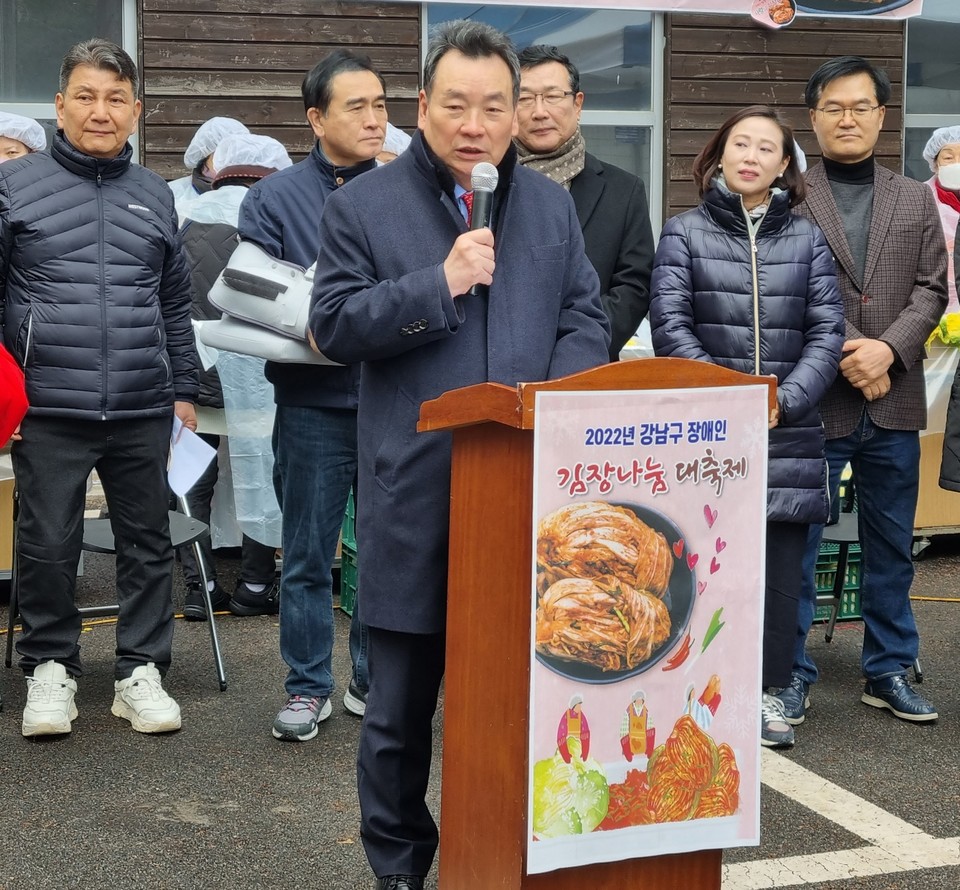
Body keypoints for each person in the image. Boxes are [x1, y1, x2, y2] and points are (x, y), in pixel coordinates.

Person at [309, 20, 610, 889]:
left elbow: (583, 316)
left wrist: (551, 404)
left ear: (519, 113)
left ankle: (505, 854)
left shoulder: (549, 206)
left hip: (527, 493)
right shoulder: (362, 205)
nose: (473, 124)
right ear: (422, 108)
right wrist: (436, 284)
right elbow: (332, 324)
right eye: (455, 106)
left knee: (523, 701)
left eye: (492, 106)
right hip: (418, 496)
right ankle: (399, 868)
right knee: (399, 713)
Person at [0, 38, 199, 737]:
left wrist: (184, 392)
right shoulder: (13, 187)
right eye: (85, 96)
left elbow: (173, 303)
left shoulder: (154, 195)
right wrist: (5, 402)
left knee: (148, 543)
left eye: (116, 98)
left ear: (137, 111)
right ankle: (49, 667)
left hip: (144, 402)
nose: (100, 110)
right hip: (48, 404)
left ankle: (138, 671)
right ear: (60, 105)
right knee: (48, 543)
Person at [650, 104, 844, 748]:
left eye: (767, 147)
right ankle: (692, 691)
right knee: (701, 569)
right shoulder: (683, 233)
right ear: (719, 154)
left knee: (778, 580)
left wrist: (783, 401)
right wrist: (730, 398)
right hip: (707, 437)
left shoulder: (808, 240)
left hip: (786, 433)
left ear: (786, 165)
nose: (752, 156)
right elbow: (671, 327)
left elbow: (826, 334)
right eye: (741, 143)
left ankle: (763, 695)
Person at [775, 57, 948, 727]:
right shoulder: (789, 198)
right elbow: (787, 286)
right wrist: (854, 351)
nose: (848, 118)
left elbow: (933, 288)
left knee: (891, 546)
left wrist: (889, 350)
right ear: (813, 117)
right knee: (799, 547)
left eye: (861, 106)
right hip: (815, 400)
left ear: (882, 115)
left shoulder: (914, 197)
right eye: (834, 107)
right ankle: (789, 674)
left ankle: (889, 669)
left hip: (894, 396)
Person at [238, 49, 384, 739]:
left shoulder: (409, 191)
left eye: (382, 105)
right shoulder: (273, 198)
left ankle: (371, 677)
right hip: (311, 404)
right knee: (306, 552)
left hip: (393, 399)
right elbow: (256, 294)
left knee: (386, 550)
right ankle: (306, 687)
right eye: (356, 106)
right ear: (316, 117)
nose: (374, 119)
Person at [177, 133, 293, 620]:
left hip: (196, 375)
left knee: (193, 481)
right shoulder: (273, 220)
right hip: (257, 381)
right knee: (259, 477)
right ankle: (254, 584)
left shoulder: (183, 223)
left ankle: (198, 585)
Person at [514, 44, 654, 362]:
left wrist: (578, 345)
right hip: (500, 369)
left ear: (577, 104)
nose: (539, 111)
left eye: (553, 96)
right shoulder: (486, 184)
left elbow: (634, 285)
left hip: (589, 365)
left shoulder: (624, 190)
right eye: (525, 98)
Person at [167, 116, 249, 220]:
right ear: (204, 155)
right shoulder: (173, 194)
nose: (229, 161)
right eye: (222, 154)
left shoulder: (253, 197)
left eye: (236, 154)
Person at [921, 126, 960, 314]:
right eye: (948, 157)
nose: (956, 163)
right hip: (931, 308)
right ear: (935, 164)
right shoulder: (918, 199)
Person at [620, 689, 655, 762]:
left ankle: (648, 751)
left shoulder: (646, 711)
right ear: (634, 700)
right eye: (637, 700)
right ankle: (629, 754)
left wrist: (650, 748)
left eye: (641, 700)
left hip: (643, 740)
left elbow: (650, 725)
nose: (639, 702)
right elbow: (624, 726)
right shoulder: (629, 711)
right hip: (631, 739)